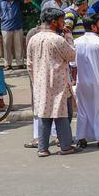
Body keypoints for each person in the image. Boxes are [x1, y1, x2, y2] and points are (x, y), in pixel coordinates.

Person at [28, 8, 78, 157]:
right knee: (62, 113)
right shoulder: (58, 39)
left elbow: (29, 64)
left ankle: (42, 148)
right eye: (62, 21)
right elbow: (72, 55)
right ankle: (66, 146)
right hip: (58, 82)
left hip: (39, 82)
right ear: (54, 22)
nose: (64, 24)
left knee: (44, 114)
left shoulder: (33, 39)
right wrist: (69, 37)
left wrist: (35, 80)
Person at [73, 14, 99, 148]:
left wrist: (74, 79)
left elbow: (73, 65)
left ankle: (81, 138)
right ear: (93, 26)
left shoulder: (76, 42)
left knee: (83, 109)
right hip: (98, 81)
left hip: (82, 81)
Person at [0, 0, 32, 70]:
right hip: (5, 28)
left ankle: (20, 63)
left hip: (18, 27)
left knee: (19, 46)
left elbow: (29, 0)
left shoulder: (18, 1)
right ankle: (8, 64)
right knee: (6, 47)